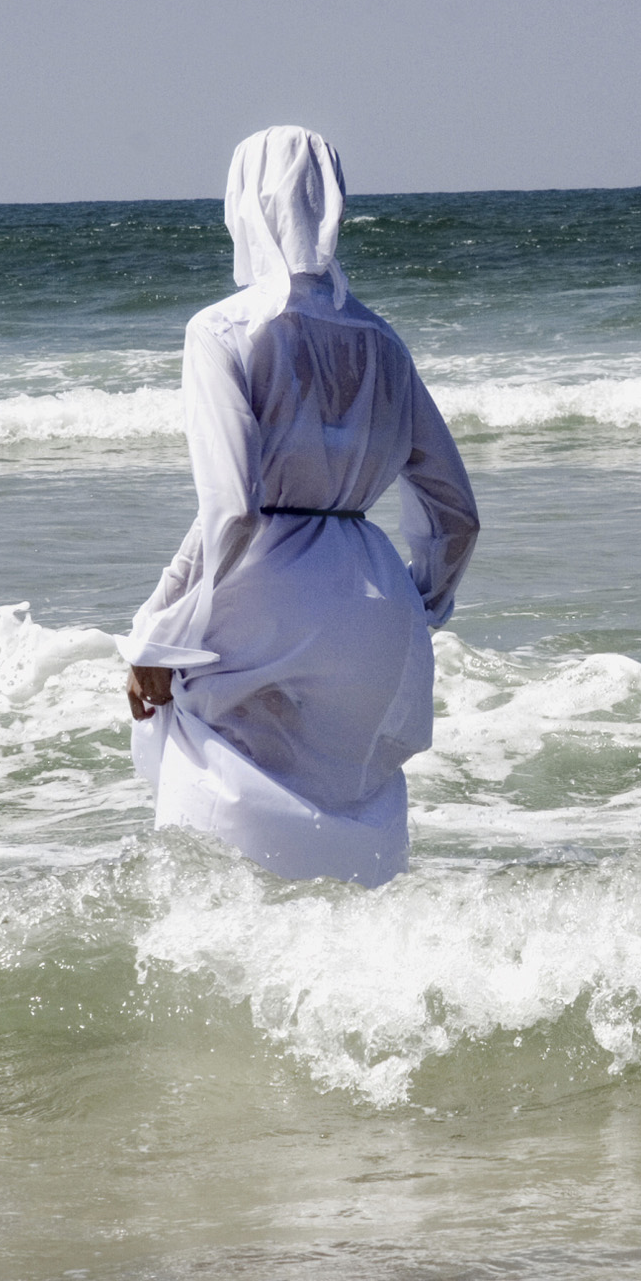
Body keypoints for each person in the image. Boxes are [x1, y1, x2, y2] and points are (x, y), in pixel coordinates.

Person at [120, 126, 480, 888]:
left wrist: (156, 630)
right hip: (373, 601)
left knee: (227, 841)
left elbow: (232, 511)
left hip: (265, 596)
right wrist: (421, 603)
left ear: (242, 205)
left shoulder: (221, 329)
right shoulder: (382, 341)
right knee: (350, 828)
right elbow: (456, 514)